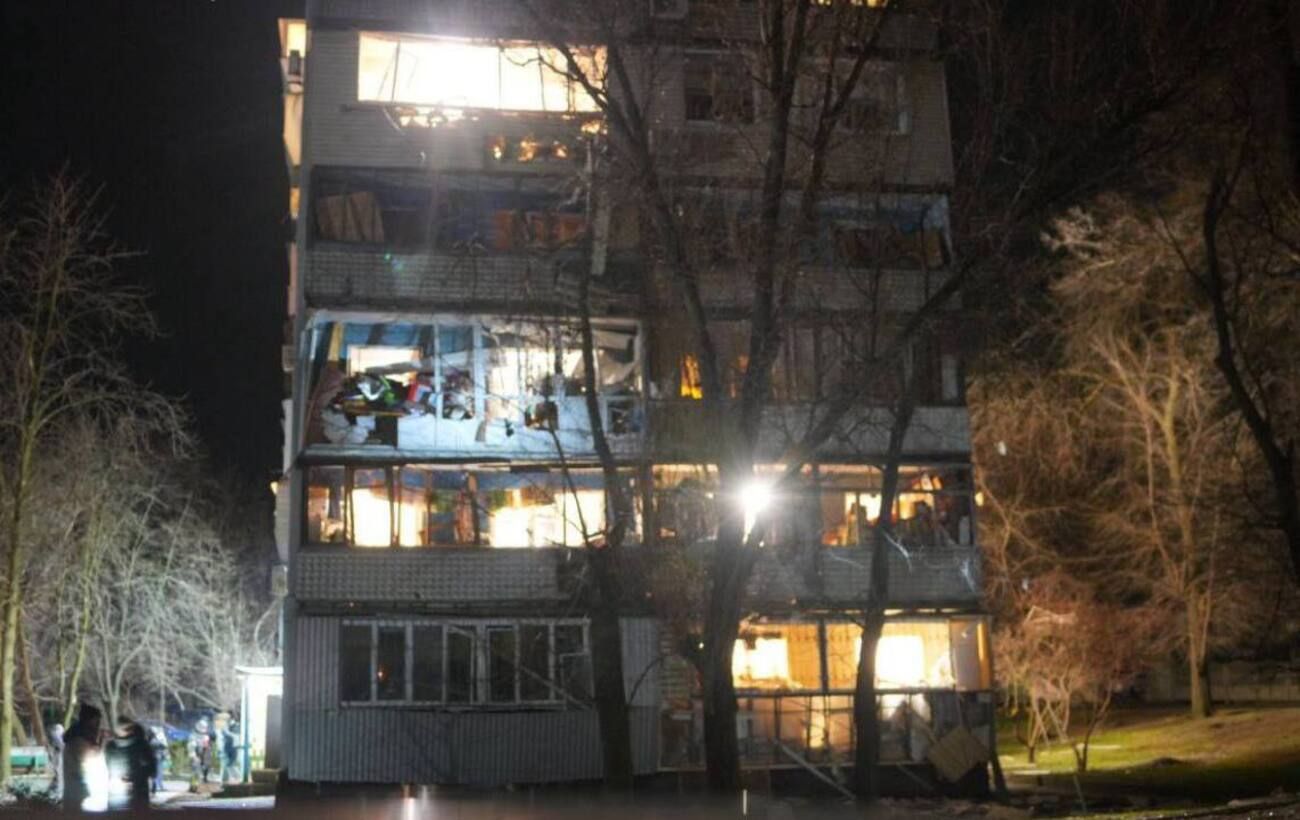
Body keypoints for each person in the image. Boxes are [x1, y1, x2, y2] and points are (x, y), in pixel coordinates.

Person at [62, 704, 105, 812]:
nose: (98, 724)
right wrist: (102, 741)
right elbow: (91, 755)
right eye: (96, 720)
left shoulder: (76, 736)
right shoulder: (78, 739)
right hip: (77, 788)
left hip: (76, 787)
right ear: (89, 720)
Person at [106, 717, 156, 811]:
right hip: (134, 793)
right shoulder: (141, 745)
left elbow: (151, 767)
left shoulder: (110, 746)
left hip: (121, 794)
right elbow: (152, 768)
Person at [186, 718, 212, 790]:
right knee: (195, 771)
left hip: (203, 755)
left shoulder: (206, 736)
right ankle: (193, 786)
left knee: (204, 770)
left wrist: (207, 752)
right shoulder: (193, 736)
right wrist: (194, 756)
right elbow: (191, 747)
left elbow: (206, 747)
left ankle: (201, 784)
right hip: (196, 755)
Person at [46, 722, 65, 799]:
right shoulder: (57, 734)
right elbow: (60, 746)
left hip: (57, 754)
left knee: (57, 774)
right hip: (57, 754)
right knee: (57, 773)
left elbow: (60, 746)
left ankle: (52, 789)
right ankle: (53, 790)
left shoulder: (55, 734)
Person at [148, 725, 168, 794]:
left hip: (153, 757)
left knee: (155, 772)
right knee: (158, 772)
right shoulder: (155, 741)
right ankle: (158, 786)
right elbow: (164, 746)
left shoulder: (149, 741)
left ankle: (155, 785)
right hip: (157, 758)